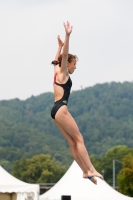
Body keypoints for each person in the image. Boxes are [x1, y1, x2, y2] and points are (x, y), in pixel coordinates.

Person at [51, 21, 103, 184]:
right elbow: (64, 57)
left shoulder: (57, 71)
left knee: (72, 142)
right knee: (79, 139)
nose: (75, 67)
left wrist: (59, 47)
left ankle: (85, 172)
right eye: (74, 64)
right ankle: (90, 168)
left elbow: (56, 60)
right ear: (68, 64)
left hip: (54, 111)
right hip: (61, 108)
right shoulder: (64, 72)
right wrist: (67, 36)